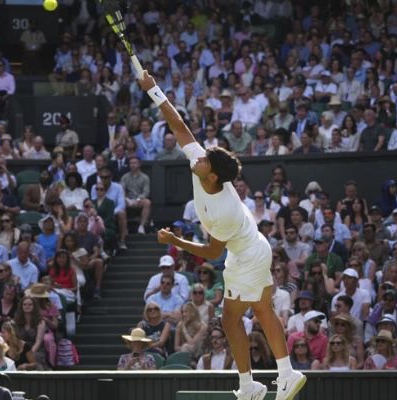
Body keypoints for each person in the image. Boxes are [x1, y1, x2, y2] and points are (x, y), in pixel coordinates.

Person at [141, 71, 304, 398]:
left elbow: (213, 253)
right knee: (260, 311)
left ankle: (265, 380)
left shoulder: (224, 211)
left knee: (232, 319)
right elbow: (178, 124)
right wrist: (153, 89)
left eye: (204, 160)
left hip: (247, 256)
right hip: (252, 250)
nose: (198, 157)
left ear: (213, 175)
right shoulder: (202, 165)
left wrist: (174, 241)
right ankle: (265, 380)